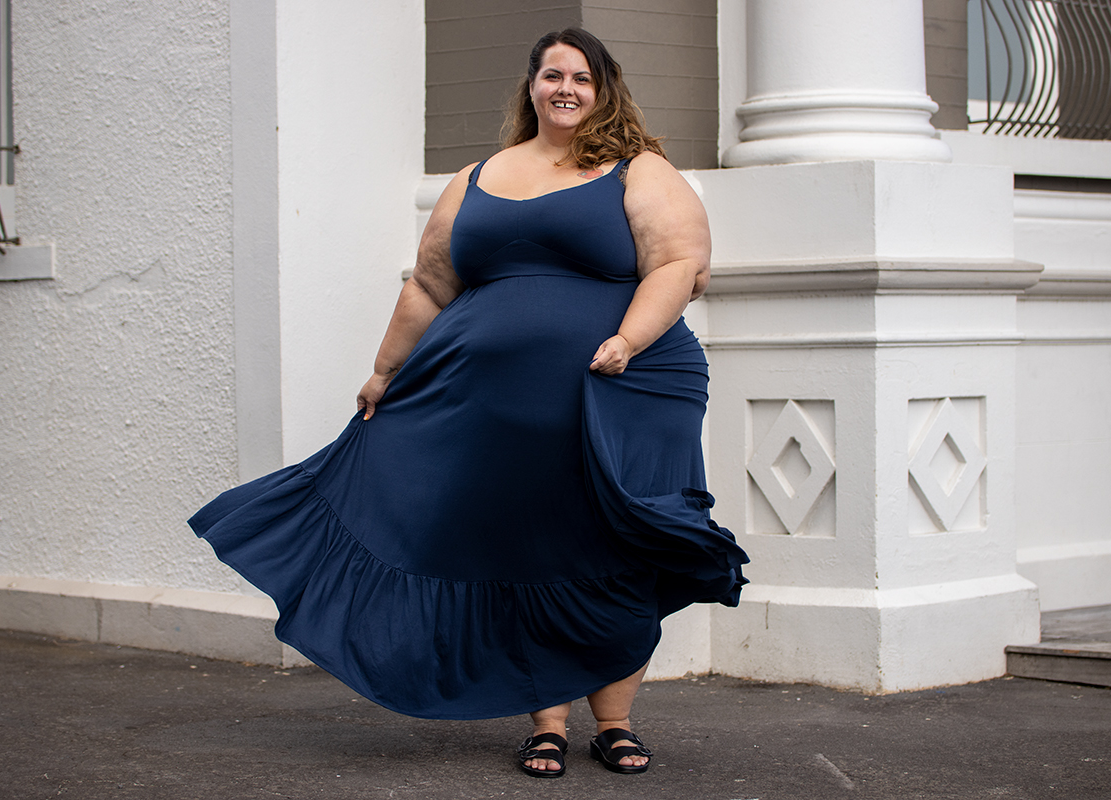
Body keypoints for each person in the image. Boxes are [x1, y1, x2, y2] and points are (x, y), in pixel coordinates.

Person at [189, 27, 748, 779]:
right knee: (522, 546)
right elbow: (428, 284)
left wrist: (628, 339)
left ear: (603, 88)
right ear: (531, 86)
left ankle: (613, 722)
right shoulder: (480, 176)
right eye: (552, 75)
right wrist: (385, 371)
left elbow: (683, 262)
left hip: (625, 390)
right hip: (492, 405)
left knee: (619, 544)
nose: (566, 90)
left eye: (582, 78)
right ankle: (546, 722)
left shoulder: (638, 170)